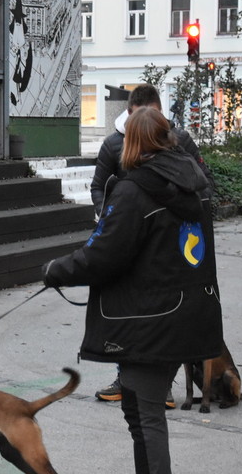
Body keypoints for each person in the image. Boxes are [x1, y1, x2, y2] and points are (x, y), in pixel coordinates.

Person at [43, 108, 222, 474]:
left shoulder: (135, 189)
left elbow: (105, 253)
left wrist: (56, 269)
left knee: (146, 415)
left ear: (134, 144)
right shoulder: (191, 182)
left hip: (148, 319)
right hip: (184, 311)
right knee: (138, 408)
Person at [89, 84, 213, 404]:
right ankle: (126, 378)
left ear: (160, 112)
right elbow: (99, 187)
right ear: (127, 116)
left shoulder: (180, 140)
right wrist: (109, 220)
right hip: (128, 242)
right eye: (137, 118)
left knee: (167, 314)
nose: (144, 125)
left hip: (170, 246)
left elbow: (203, 185)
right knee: (126, 314)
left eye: (152, 116)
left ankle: (163, 384)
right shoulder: (113, 144)